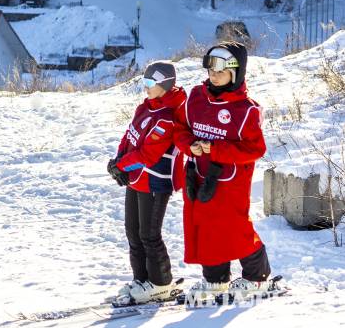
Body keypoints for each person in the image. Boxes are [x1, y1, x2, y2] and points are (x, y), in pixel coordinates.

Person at [173, 42, 275, 303]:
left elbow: (255, 148)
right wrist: (189, 145)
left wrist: (216, 150)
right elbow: (180, 129)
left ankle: (257, 276)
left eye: (220, 69)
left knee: (233, 227)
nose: (213, 75)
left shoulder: (246, 110)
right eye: (210, 68)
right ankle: (216, 278)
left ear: (236, 72)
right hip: (198, 176)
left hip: (230, 182)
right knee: (204, 227)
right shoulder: (195, 97)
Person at [106, 62, 186, 305]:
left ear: (164, 85)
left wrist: (122, 166)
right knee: (133, 232)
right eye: (146, 82)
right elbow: (129, 135)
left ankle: (161, 283)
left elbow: (148, 155)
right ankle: (142, 279)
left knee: (149, 235)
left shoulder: (167, 117)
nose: (146, 87)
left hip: (154, 181)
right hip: (136, 180)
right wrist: (118, 159)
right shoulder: (146, 107)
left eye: (151, 83)